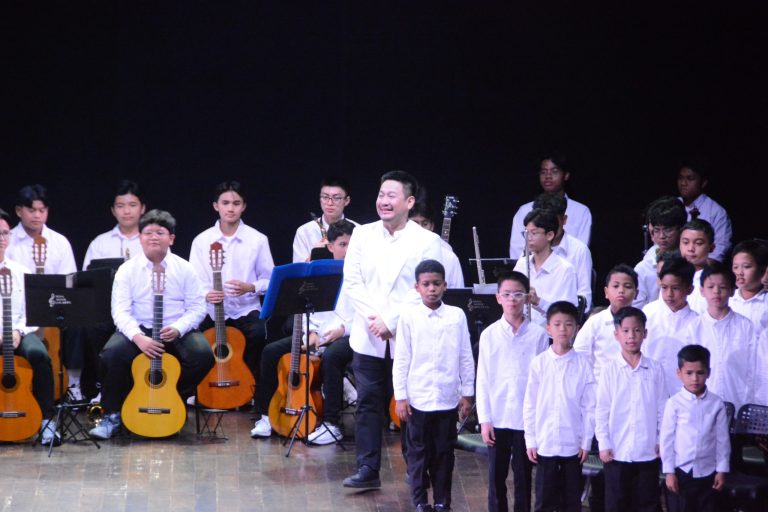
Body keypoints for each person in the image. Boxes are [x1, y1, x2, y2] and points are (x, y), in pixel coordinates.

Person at [341, 170, 442, 490]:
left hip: (408, 335)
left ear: (409, 202)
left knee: (409, 405)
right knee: (368, 402)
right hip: (369, 333)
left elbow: (424, 288)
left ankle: (417, 468)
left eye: (391, 196)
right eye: (381, 194)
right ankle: (367, 468)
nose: (384, 201)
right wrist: (376, 320)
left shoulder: (427, 241)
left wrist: (392, 321)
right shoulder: (362, 234)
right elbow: (352, 282)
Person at [88, 210, 214, 439]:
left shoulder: (184, 268)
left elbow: (198, 307)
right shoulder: (127, 270)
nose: (154, 237)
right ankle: (112, 415)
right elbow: (120, 311)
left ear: (171, 238)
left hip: (175, 329)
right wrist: (138, 337)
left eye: (160, 232)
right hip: (141, 329)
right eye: (148, 232)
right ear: (140, 237)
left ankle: (171, 397)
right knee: (111, 354)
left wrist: (178, 328)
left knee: (203, 355)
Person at [250, 220, 356, 443]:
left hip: (350, 335)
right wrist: (312, 332)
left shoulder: (364, 274)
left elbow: (367, 314)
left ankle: (332, 423)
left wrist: (343, 330)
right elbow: (311, 308)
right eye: (343, 244)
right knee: (271, 351)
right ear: (330, 246)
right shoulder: (323, 274)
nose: (348, 250)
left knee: (333, 356)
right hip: (318, 334)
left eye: (352, 244)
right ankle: (266, 415)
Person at [393, 259, 475, 512]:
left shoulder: (456, 315)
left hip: (447, 398)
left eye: (436, 284)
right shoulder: (409, 316)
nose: (432, 289)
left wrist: (467, 393)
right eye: (426, 284)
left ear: (445, 285)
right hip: (418, 398)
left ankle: (442, 501)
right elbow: (402, 358)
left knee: (444, 453)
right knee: (418, 454)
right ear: (417, 287)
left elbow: (465, 355)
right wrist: (401, 397)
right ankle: (420, 502)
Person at [189, 181, 274, 413]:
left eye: (236, 203)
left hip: (245, 308)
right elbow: (193, 282)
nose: (230, 208)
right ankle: (204, 390)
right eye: (225, 203)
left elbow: (270, 280)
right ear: (215, 206)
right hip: (212, 310)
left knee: (257, 333)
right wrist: (207, 293)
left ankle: (249, 390)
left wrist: (250, 287)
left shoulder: (257, 239)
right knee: (195, 342)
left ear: (243, 206)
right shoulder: (202, 240)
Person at [476, 271, 550, 512]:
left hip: (525, 418)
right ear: (498, 298)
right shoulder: (489, 335)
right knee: (496, 477)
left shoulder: (539, 335)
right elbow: (483, 379)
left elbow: (542, 382)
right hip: (497, 416)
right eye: (506, 294)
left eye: (518, 294)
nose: (512, 300)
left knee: (523, 476)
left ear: (527, 297)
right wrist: (485, 419)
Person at [6, 185, 84, 400]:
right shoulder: (7, 239)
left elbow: (70, 282)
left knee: (78, 321)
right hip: (19, 310)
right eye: (31, 210)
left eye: (42, 210)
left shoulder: (59, 242)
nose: (37, 215)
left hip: (53, 305)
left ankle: (74, 383)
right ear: (19, 211)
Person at [523, 301, 595, 512]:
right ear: (548, 328)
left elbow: (589, 407)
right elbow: (530, 404)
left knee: (571, 501)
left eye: (568, 324)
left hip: (573, 443)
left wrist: (586, 441)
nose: (563, 329)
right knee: (544, 500)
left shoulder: (583, 365)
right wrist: (531, 439)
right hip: (546, 442)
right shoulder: (539, 363)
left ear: (577, 329)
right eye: (557, 324)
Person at [595, 306, 667, 512]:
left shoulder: (655, 369)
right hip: (617, 450)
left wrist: (660, 439)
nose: (631, 336)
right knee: (617, 503)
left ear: (645, 333)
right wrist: (603, 443)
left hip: (647, 450)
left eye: (636, 330)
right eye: (625, 331)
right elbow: (602, 410)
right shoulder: (609, 370)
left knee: (647, 502)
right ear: (616, 334)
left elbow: (663, 408)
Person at [0, 208, 57, 444]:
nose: (1, 239)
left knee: (40, 355)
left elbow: (31, 312)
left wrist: (18, 331)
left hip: (18, 332)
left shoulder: (21, 271)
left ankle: (46, 421)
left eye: (4, 233)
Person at [660, 345, 730, 512]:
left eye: (700, 373)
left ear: (708, 373)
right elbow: (666, 440)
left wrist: (721, 470)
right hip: (682, 473)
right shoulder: (674, 403)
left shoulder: (716, 403)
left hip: (708, 472)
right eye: (689, 373)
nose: (695, 379)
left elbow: (722, 440)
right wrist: (669, 472)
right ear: (679, 373)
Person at [687, 262, 754, 411]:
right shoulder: (694, 327)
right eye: (711, 287)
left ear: (732, 291)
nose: (716, 292)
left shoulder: (745, 326)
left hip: (738, 401)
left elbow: (752, 369)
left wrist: (748, 401)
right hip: (703, 404)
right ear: (702, 291)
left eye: (722, 287)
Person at [509, 155, 592, 258]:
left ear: (566, 175)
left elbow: (580, 252)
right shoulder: (524, 210)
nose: (548, 176)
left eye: (554, 171)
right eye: (543, 172)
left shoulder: (581, 211)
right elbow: (517, 253)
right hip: (531, 267)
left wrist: (555, 266)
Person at [642, 256, 700, 397]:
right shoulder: (648, 313)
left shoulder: (697, 323)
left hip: (682, 394)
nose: (669, 294)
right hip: (648, 389)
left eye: (675, 288)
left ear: (689, 289)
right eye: (664, 287)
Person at [512, 208, 578, 326]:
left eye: (534, 233)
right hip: (521, 330)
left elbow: (568, 314)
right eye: (526, 233)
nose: (528, 238)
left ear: (549, 235)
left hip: (549, 333)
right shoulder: (522, 264)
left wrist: (538, 302)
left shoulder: (565, 270)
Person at [530, 192, 593, 311]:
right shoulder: (529, 249)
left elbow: (584, 301)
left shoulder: (579, 251)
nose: (549, 228)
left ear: (564, 220)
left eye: (553, 222)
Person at [633, 196, 688, 308]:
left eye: (668, 230)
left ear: (681, 229)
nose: (662, 236)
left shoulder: (691, 260)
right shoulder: (643, 268)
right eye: (657, 230)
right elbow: (636, 308)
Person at [82, 180, 146, 270]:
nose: (126, 211)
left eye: (132, 205)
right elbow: (88, 277)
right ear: (113, 211)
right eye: (120, 206)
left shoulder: (153, 241)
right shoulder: (100, 243)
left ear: (142, 208)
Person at [292, 176, 358, 263]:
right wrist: (314, 254)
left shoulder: (358, 230)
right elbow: (297, 269)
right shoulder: (304, 232)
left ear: (347, 200)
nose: (329, 203)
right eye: (325, 197)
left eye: (336, 198)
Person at [676, 160, 732, 262]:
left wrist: (701, 268)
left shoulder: (716, 211)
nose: (683, 183)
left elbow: (721, 247)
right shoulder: (673, 205)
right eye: (681, 178)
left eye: (690, 178)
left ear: (703, 183)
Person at [409, 201, 465, 288]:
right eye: (414, 224)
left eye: (425, 224)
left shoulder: (449, 257)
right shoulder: (397, 251)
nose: (420, 229)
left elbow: (458, 292)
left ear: (432, 226)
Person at [729, 239, 768, 333]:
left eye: (746, 267)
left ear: (762, 270)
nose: (740, 272)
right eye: (735, 267)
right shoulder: (728, 299)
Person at [679, 219, 716, 314]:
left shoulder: (716, 278)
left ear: (711, 247)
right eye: (685, 242)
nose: (690, 249)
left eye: (698, 243)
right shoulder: (672, 274)